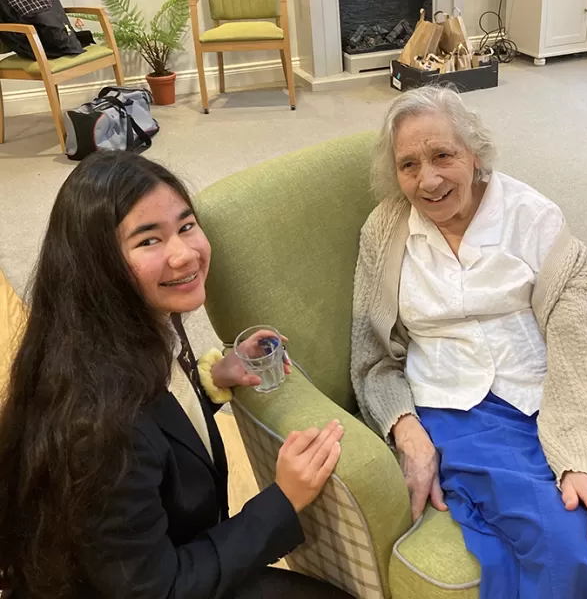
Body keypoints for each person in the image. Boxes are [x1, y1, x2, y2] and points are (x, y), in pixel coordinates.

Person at [0, 151, 354, 599]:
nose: (184, 255)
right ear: (98, 264)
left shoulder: (122, 328)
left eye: (186, 226)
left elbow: (159, 419)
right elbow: (158, 589)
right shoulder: (99, 426)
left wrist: (212, 380)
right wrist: (282, 501)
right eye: (149, 240)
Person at [351, 85, 587, 598]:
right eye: (409, 165)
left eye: (443, 155)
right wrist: (405, 428)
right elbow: (371, 354)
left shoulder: (534, 217)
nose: (428, 180)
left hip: (549, 392)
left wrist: (580, 455)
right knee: (572, 546)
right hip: (458, 408)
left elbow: (578, 340)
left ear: (475, 153)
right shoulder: (385, 230)